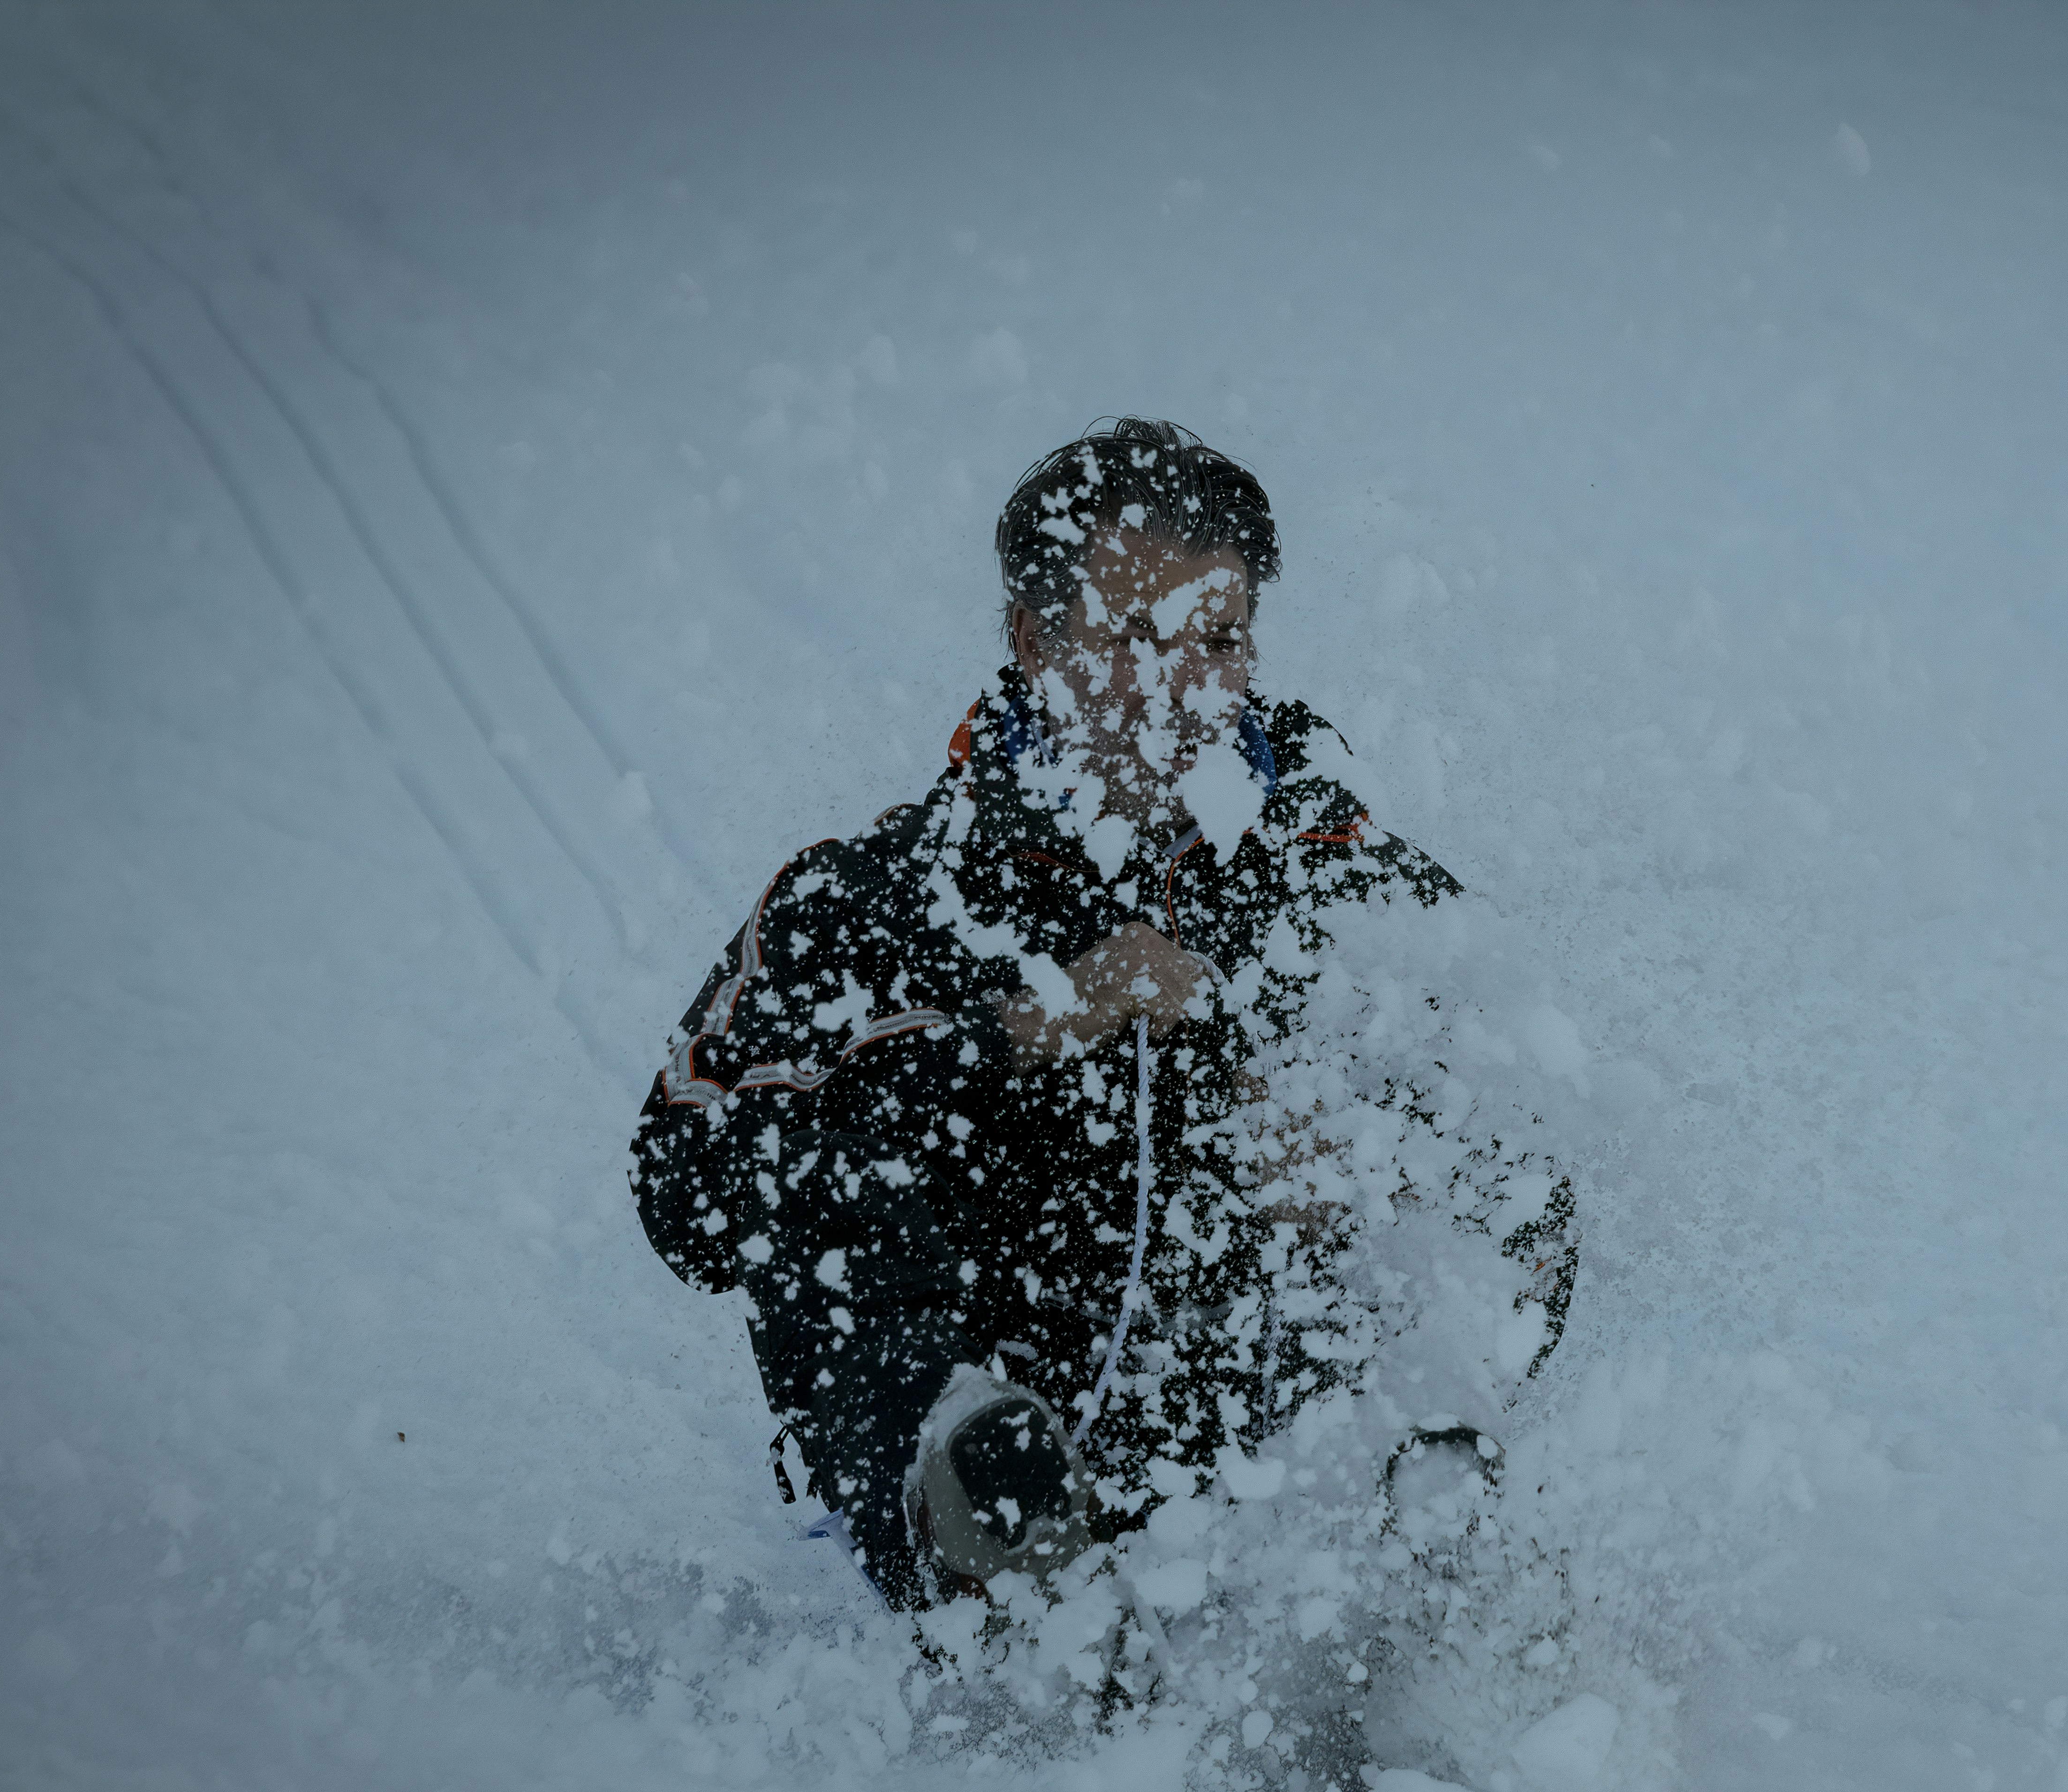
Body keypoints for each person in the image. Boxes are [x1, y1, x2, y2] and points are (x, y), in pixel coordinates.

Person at [629, 419, 1569, 1618]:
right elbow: (687, 1186)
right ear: (1034, 639)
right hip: (966, 1416)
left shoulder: (1343, 877)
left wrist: (1362, 1146)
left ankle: (1435, 1560)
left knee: (1464, 1148)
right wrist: (1018, 1029)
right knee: (840, 1160)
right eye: (1134, 636)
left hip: (1258, 1448)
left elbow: (1518, 1150)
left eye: (1217, 639)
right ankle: (989, 1508)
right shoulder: (874, 894)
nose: (1183, 685)